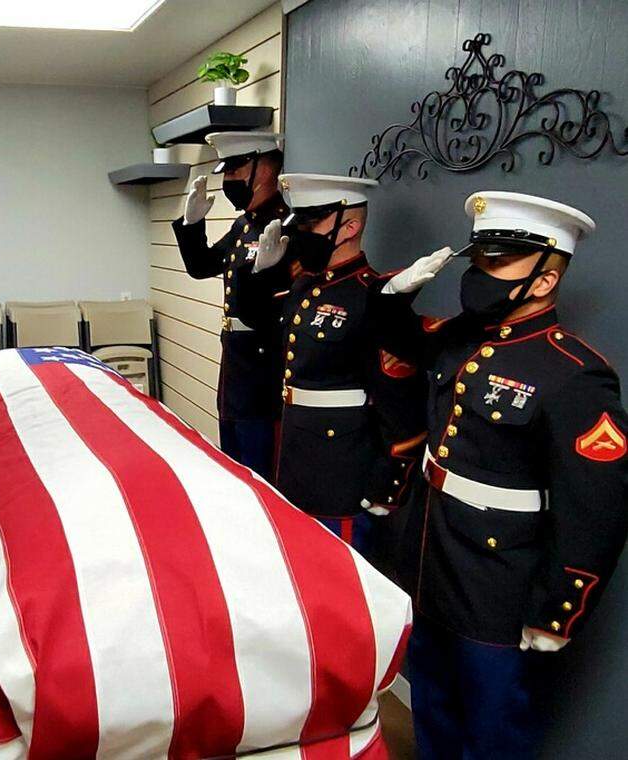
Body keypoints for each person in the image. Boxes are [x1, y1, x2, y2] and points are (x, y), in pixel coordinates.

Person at [378, 191, 628, 759]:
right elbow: (398, 344)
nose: (480, 275)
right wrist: (395, 296)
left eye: (498, 263)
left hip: (500, 580)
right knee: (433, 705)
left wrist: (561, 607)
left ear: (542, 281)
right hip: (432, 553)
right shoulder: (463, 338)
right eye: (480, 261)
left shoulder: (575, 375)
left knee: (493, 727)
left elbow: (596, 507)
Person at [250, 173, 427, 554]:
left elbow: (402, 406)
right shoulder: (303, 286)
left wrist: (388, 483)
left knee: (343, 581)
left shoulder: (375, 298)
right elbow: (260, 330)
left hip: (344, 472)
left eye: (312, 223)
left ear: (350, 226)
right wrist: (261, 276)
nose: (301, 233)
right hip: (296, 459)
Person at [170, 132, 290, 472]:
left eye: (237, 168)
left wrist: (264, 274)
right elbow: (203, 266)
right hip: (235, 370)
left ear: (266, 168)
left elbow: (268, 312)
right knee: (235, 466)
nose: (228, 179)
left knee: (261, 473)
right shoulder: (245, 225)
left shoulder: (284, 227)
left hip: (265, 375)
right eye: (227, 170)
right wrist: (192, 225)